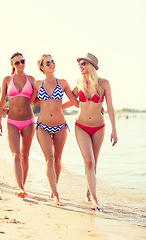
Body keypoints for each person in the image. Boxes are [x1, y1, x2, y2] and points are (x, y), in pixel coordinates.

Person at [62, 53, 118, 210]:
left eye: (83, 63)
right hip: (81, 126)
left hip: (99, 128)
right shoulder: (79, 82)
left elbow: (111, 108)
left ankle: (88, 191)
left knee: (94, 161)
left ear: (91, 65)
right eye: (79, 63)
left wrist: (114, 129)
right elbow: (71, 101)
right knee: (89, 160)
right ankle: (95, 199)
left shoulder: (104, 83)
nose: (80, 66)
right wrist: (55, 108)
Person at [33, 54, 79, 205]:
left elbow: (76, 103)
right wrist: (12, 110)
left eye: (53, 61)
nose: (52, 64)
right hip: (43, 127)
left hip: (60, 126)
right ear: (42, 67)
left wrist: (98, 107)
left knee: (58, 160)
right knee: (49, 158)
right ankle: (56, 194)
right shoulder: (37, 84)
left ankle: (53, 188)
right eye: (48, 63)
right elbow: (32, 102)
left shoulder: (63, 83)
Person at [0, 52, 37, 198]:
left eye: (22, 61)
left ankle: (23, 186)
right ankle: (20, 188)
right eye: (17, 62)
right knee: (16, 155)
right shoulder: (7, 80)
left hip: (28, 122)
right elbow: (2, 101)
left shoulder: (32, 79)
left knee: (25, 156)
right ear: (12, 65)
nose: (20, 64)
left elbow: (36, 99)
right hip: (12, 122)